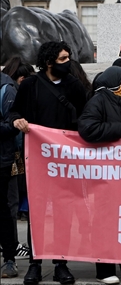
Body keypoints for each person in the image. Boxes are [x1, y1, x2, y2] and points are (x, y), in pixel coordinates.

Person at [10, 41, 87, 285]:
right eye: (63, 58)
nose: (68, 62)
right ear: (48, 61)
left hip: (66, 162)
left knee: (64, 212)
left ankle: (61, 264)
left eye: (68, 57)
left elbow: (85, 117)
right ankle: (35, 263)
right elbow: (15, 112)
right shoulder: (31, 85)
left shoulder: (74, 85)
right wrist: (17, 121)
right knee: (38, 212)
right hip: (38, 160)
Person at [78, 66, 121, 285]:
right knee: (105, 221)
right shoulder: (98, 102)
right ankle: (104, 269)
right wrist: (118, 129)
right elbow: (87, 129)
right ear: (114, 84)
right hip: (106, 173)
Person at [1, 71, 20, 278]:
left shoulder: (6, 89)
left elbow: (13, 125)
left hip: (2, 159)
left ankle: (9, 259)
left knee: (3, 209)